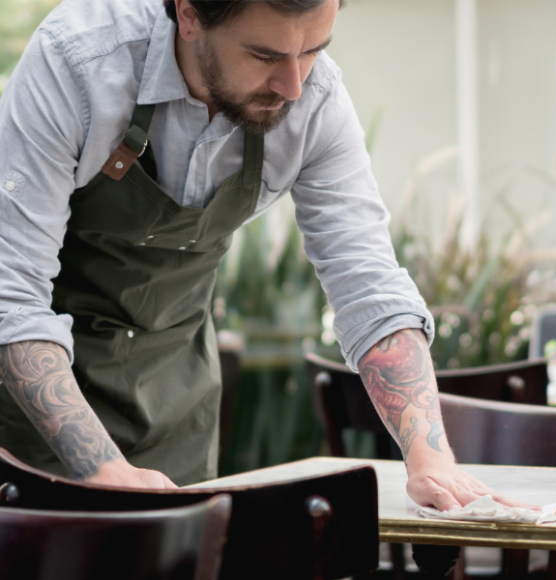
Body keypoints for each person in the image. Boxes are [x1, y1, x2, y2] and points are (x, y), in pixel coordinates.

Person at [0, 0, 525, 511]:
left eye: (314, 50)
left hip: (171, 410)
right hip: (22, 431)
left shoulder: (315, 101)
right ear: (187, 15)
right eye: (265, 56)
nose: (293, 85)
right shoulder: (79, 60)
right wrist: (100, 467)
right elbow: (12, 297)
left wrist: (430, 458)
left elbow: (370, 286)